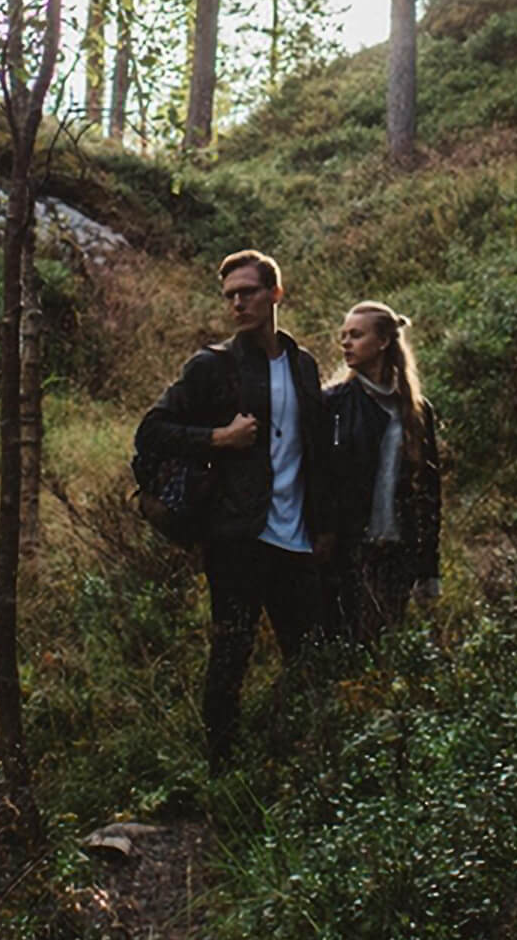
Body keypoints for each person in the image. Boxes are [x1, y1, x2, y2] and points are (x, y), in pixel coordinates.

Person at [135, 249, 335, 771]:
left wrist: (324, 526)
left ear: (275, 294)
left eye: (248, 292)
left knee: (309, 656)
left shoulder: (304, 365)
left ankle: (301, 760)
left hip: (296, 540)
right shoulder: (212, 366)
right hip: (237, 538)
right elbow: (151, 431)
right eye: (230, 296)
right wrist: (218, 438)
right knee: (230, 655)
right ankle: (221, 770)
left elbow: (315, 452)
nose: (238, 304)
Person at [324, 302, 441, 643]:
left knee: (383, 647)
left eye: (356, 335)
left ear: (384, 342)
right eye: (344, 336)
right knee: (344, 646)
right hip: (346, 551)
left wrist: (428, 567)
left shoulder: (416, 411)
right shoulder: (333, 403)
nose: (346, 343)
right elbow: (319, 479)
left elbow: (429, 493)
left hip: (396, 554)